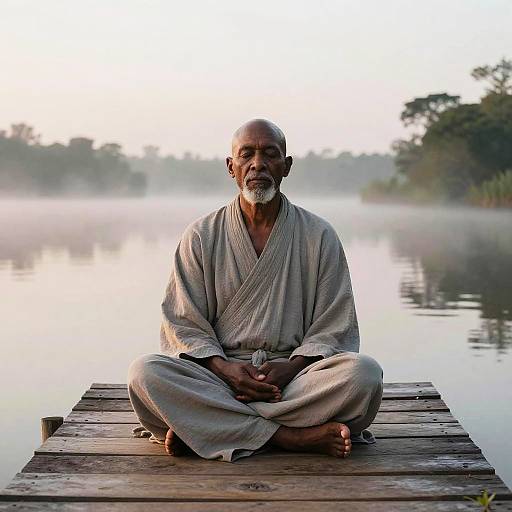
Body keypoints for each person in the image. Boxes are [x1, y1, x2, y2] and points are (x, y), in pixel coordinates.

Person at [127, 118, 383, 462]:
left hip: (294, 381)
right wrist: (225, 369)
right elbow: (183, 325)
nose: (258, 164)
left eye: (270, 154)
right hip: (219, 378)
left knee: (363, 375)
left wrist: (291, 367)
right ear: (231, 167)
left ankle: (206, 428)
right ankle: (292, 437)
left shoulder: (319, 236)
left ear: (286, 166)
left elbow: (333, 327)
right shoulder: (201, 235)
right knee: (146, 373)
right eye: (247, 154)